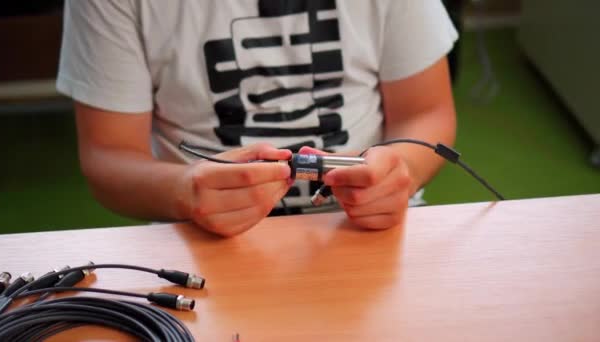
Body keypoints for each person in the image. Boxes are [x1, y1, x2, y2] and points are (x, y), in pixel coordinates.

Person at [57, 0, 458, 236]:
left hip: (368, 232)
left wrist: (399, 171)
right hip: (199, 240)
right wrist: (185, 190)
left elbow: (427, 112)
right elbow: (108, 157)